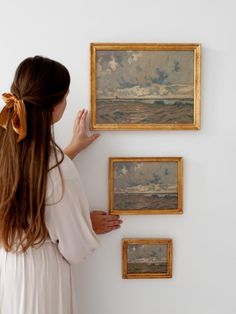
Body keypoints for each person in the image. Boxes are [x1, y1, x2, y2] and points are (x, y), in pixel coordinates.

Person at [0, 56, 123, 314]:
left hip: (11, 273)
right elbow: (75, 249)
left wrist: (73, 149)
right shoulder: (58, 169)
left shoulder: (6, 151)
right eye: (66, 97)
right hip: (43, 281)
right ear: (54, 106)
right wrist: (85, 223)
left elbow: (34, 178)